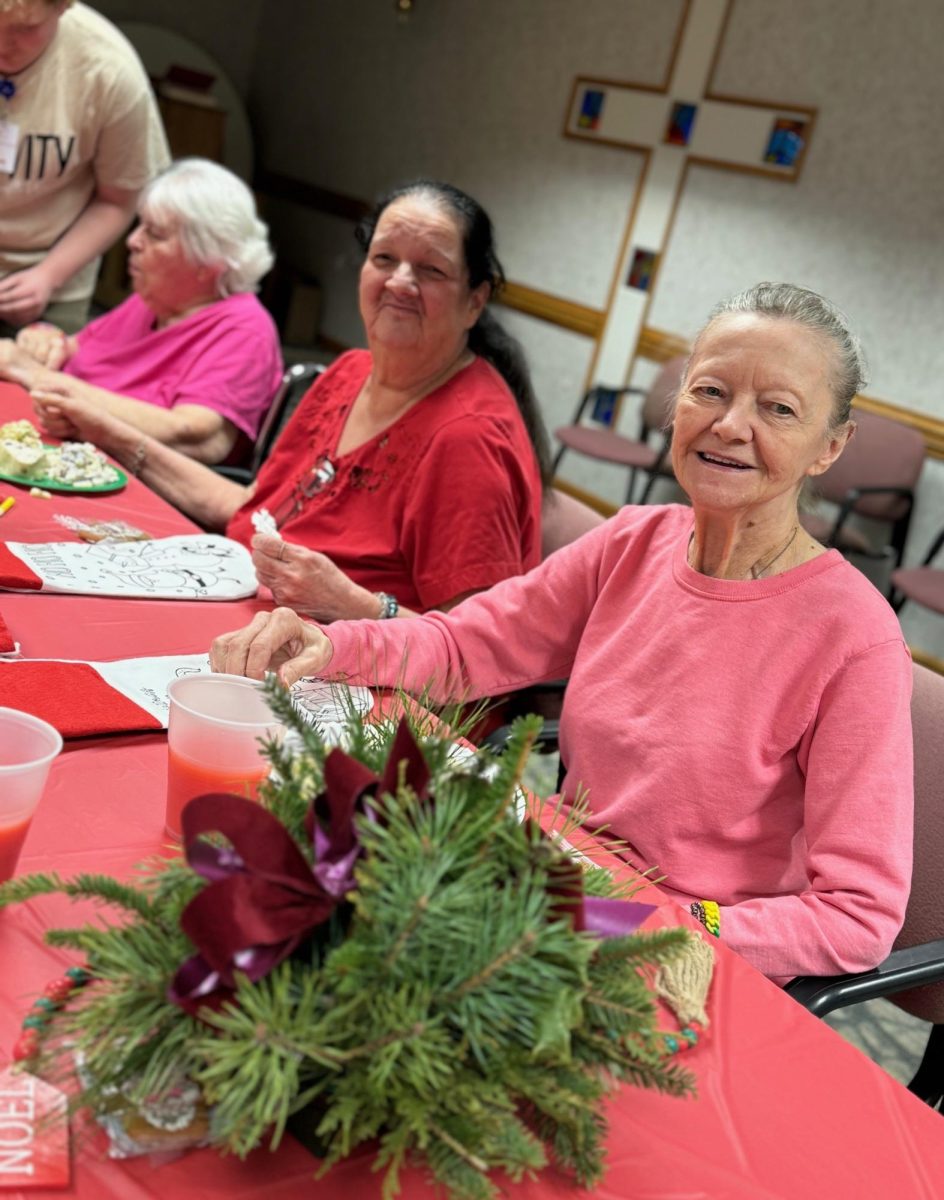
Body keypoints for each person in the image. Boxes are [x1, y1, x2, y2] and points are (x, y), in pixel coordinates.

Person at [209, 282, 914, 985]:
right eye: (710, 392)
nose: (729, 425)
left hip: (685, 962)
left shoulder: (852, 636)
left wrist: (673, 925)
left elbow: (858, 916)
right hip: (556, 894)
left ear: (829, 447)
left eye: (778, 409)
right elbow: (467, 647)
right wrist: (332, 644)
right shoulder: (636, 540)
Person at [30, 179, 549, 621]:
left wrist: (351, 603)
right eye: (384, 258)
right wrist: (103, 429)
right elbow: (249, 506)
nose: (400, 282)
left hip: (358, 686)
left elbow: (478, 653)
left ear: (475, 300)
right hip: (251, 610)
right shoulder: (350, 372)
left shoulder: (467, 438)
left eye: (431, 270)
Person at [2, 158, 283, 465]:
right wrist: (43, 336)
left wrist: (34, 374)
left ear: (209, 261)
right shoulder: (154, 300)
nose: (132, 241)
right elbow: (73, 349)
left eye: (155, 234)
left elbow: (194, 432)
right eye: (140, 227)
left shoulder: (243, 330)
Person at [0, 0, 169, 333]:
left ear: (63, 8)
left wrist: (47, 276)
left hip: (48, 280)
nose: (3, 44)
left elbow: (118, 201)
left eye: (25, 29)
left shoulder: (110, 72)